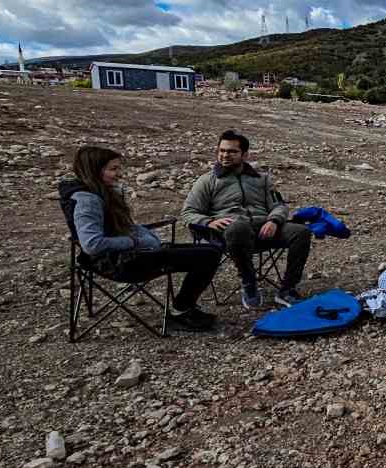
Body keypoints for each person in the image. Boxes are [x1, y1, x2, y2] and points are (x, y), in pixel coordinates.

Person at [65, 146, 220, 331]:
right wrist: (136, 241)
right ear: (94, 170)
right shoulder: (87, 200)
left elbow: (120, 227)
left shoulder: (100, 192)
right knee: (207, 256)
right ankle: (181, 310)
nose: (118, 174)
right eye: (113, 169)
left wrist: (144, 235)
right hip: (118, 263)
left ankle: (183, 308)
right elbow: (92, 244)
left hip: (127, 255)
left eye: (118, 168)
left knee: (211, 251)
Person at [181, 129, 311, 308]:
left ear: (245, 154)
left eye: (232, 151)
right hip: (229, 233)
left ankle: (287, 289)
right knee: (238, 228)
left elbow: (279, 205)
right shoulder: (207, 181)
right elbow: (188, 212)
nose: (225, 155)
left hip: (263, 228)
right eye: (222, 151)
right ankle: (249, 283)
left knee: (301, 232)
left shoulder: (262, 179)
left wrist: (274, 220)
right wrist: (209, 222)